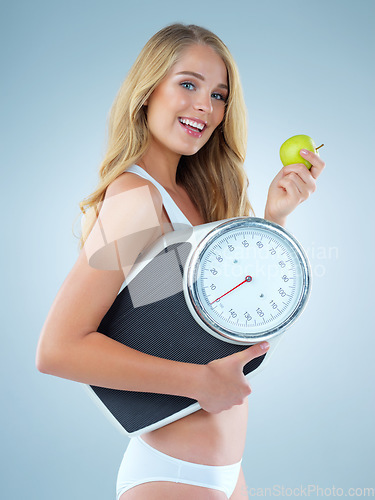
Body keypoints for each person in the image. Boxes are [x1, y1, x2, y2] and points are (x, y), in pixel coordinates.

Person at [36, 23, 325, 500]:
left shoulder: (190, 199)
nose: (204, 107)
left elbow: (220, 321)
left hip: (226, 473)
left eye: (218, 95)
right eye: (187, 84)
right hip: (173, 476)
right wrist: (198, 381)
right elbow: (59, 348)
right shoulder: (136, 201)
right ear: (148, 92)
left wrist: (274, 219)